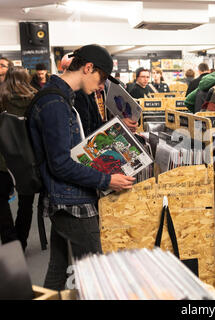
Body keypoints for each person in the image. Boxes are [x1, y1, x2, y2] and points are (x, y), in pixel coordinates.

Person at [28, 44, 135, 290]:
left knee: (59, 269)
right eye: (102, 80)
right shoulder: (55, 102)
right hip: (71, 200)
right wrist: (107, 181)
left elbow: (76, 148)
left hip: (66, 197)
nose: (100, 87)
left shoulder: (62, 97)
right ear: (88, 68)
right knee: (97, 274)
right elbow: (61, 164)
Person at [0, 66, 37, 251]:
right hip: (27, 160)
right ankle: (21, 241)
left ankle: (10, 240)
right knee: (26, 202)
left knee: (1, 202)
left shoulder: (1, 98)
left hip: (3, 160)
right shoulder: (34, 99)